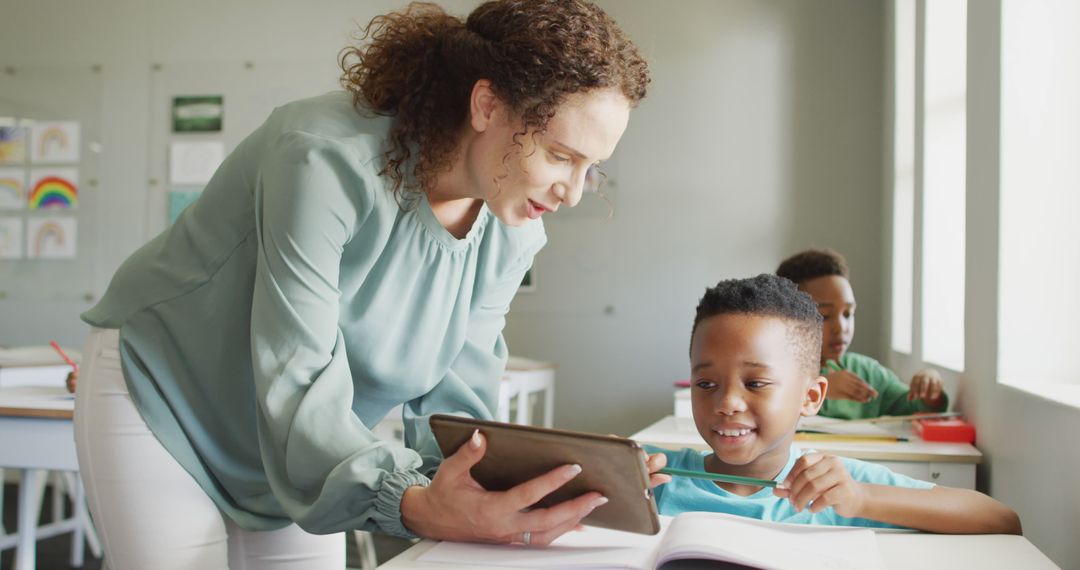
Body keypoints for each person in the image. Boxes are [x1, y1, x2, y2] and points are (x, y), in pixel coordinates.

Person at [74, 1, 665, 567]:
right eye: (561, 155)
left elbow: (457, 406)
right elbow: (296, 367)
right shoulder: (323, 159)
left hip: (300, 438)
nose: (574, 192)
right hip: (167, 397)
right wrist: (413, 502)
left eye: (594, 168)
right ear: (487, 104)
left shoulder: (512, 231)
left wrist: (542, 480)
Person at [648, 274, 1020, 533]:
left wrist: (861, 500)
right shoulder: (657, 476)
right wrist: (605, 478)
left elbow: (1000, 519)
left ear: (810, 397)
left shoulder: (836, 487)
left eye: (756, 383)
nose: (727, 402)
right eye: (706, 382)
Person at [776, 248, 948, 419]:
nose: (841, 327)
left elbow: (914, 408)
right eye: (825, 316)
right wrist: (811, 389)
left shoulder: (867, 373)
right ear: (787, 318)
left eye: (847, 314)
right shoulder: (772, 370)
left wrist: (929, 391)